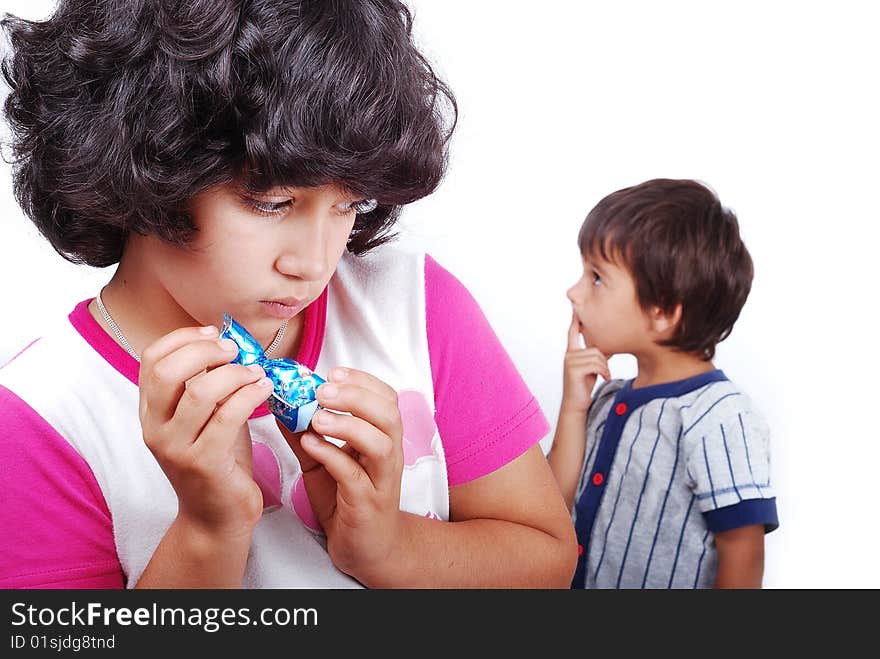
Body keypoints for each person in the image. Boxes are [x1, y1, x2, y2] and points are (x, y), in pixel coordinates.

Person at [0, 0, 576, 589]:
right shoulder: (41, 419)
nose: (314, 263)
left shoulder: (415, 305)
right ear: (142, 164)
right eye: (271, 204)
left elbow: (547, 561)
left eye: (349, 206)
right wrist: (208, 532)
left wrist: (388, 547)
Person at [547, 178, 778, 589]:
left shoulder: (721, 417)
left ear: (663, 312)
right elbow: (549, 506)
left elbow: (743, 552)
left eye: (596, 277)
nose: (573, 292)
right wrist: (573, 408)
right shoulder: (607, 399)